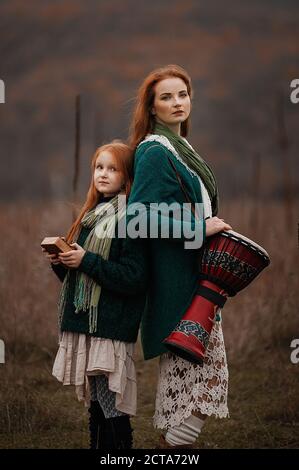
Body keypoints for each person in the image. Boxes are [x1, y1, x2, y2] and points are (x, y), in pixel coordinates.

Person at [128, 64, 232, 448]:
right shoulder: (154, 150)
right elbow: (137, 217)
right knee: (203, 378)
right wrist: (196, 229)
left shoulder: (180, 146)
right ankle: (173, 447)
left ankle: (175, 444)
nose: (177, 102)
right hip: (178, 280)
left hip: (199, 276)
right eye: (166, 97)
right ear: (152, 109)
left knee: (200, 380)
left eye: (183, 94)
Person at [42, 141, 148, 449]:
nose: (103, 174)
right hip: (87, 322)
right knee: (98, 403)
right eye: (99, 167)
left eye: (112, 169)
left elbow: (134, 278)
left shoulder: (131, 219)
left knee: (110, 401)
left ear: (127, 176)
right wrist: (63, 264)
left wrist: (85, 260)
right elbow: (81, 278)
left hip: (110, 324)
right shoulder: (91, 216)